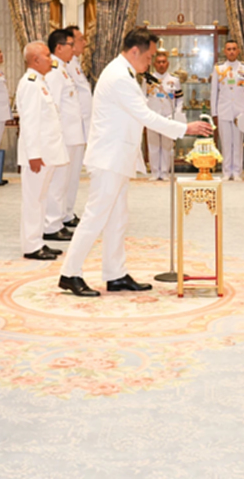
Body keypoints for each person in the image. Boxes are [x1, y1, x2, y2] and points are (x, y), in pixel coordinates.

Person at [58, 28, 212, 297]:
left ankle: (115, 274)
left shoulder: (126, 73)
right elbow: (146, 116)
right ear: (134, 51)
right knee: (95, 217)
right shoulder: (119, 76)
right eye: (149, 56)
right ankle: (69, 273)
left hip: (118, 156)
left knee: (118, 218)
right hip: (109, 158)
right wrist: (185, 128)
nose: (150, 62)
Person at [18, 41, 68, 261]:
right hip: (37, 155)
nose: (51, 60)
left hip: (47, 152)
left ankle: (38, 241)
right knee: (33, 200)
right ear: (35, 60)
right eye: (47, 56)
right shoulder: (30, 83)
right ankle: (30, 245)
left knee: (41, 198)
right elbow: (29, 123)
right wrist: (33, 155)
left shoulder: (40, 82)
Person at [43, 29, 85, 242]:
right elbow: (54, 107)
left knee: (68, 181)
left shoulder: (65, 69)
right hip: (63, 137)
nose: (73, 48)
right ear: (59, 47)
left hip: (73, 135)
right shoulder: (53, 71)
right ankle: (51, 224)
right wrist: (56, 137)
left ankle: (62, 217)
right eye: (70, 44)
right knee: (58, 182)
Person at [210, 40, 244, 181]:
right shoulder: (219, 69)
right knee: (226, 142)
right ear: (224, 51)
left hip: (240, 112)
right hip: (224, 110)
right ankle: (226, 171)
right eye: (228, 49)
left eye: (234, 49)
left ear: (238, 50)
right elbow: (214, 93)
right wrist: (214, 113)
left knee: (238, 142)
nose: (231, 51)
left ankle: (237, 171)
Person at [63, 26, 92, 227]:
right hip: (69, 129)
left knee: (73, 176)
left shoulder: (74, 64)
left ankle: (67, 212)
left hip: (79, 128)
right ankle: (61, 214)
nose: (84, 43)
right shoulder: (63, 67)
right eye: (80, 39)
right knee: (65, 176)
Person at [145, 51, 185, 180]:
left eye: (163, 62)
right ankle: (155, 172)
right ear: (154, 64)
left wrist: (177, 113)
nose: (161, 65)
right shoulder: (148, 79)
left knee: (167, 145)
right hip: (153, 116)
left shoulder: (174, 80)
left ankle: (165, 172)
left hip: (168, 116)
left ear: (168, 64)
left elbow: (180, 99)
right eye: (159, 62)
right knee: (154, 145)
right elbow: (142, 97)